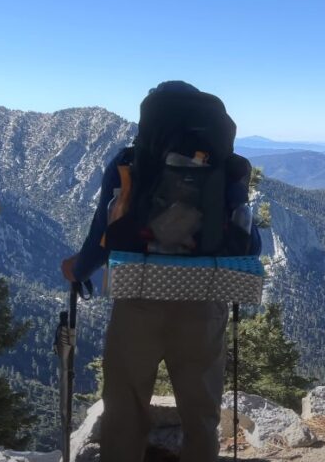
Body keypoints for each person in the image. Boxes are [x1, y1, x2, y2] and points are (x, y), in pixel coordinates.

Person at [61, 81, 261, 462]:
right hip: (205, 299)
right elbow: (248, 245)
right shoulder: (225, 168)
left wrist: (77, 269)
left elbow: (103, 238)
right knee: (201, 413)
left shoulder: (130, 163)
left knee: (125, 406)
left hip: (138, 298)